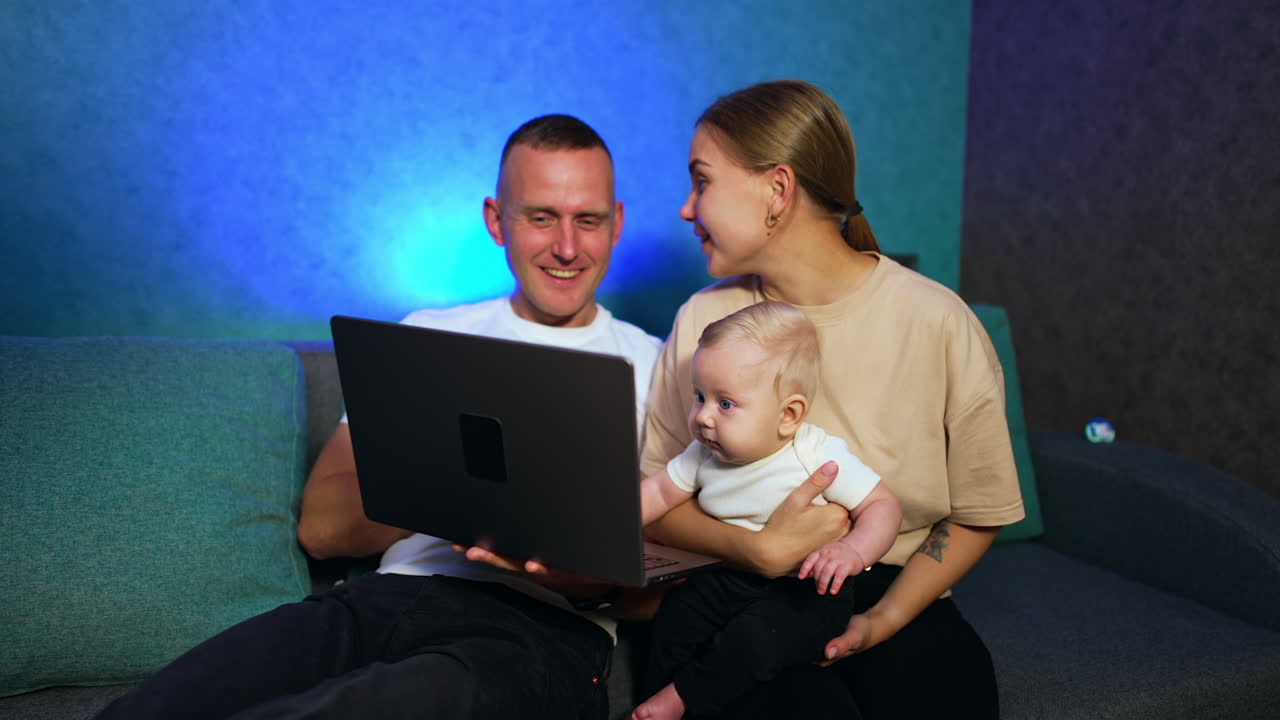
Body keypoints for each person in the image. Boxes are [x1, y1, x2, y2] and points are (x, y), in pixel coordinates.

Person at [97, 114, 665, 720]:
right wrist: (460, 494)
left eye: (589, 220)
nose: (567, 248)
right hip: (385, 601)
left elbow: (659, 599)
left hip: (541, 634)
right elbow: (320, 527)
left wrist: (574, 574)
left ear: (617, 224)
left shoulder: (659, 367)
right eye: (541, 217)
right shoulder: (425, 337)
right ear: (496, 222)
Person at [640, 79, 1026, 719]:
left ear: (777, 191)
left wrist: (885, 619)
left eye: (701, 181)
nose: (686, 208)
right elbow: (655, 498)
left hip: (891, 589)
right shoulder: (700, 324)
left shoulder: (938, 322)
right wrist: (756, 551)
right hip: (732, 594)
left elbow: (977, 513)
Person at [632, 300, 902, 720]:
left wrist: (853, 551)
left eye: (725, 404)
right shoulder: (701, 454)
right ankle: (652, 700)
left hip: (803, 591)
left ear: (788, 415)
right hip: (727, 574)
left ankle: (682, 696)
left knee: (756, 640)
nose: (703, 417)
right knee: (676, 619)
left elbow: (882, 505)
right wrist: (611, 526)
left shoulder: (815, 453)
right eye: (699, 396)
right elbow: (659, 493)